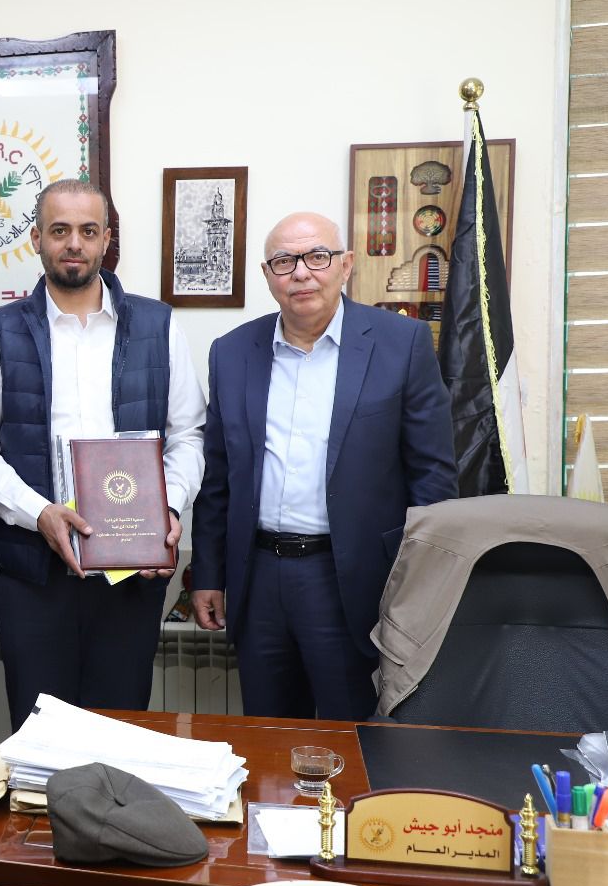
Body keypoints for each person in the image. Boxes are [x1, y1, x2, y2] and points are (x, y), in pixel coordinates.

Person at [189, 211, 457, 720]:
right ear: (267, 275)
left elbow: (434, 477)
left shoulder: (401, 344)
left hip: (354, 579)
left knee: (350, 733)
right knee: (267, 732)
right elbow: (217, 478)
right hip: (258, 578)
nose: (301, 273)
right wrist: (207, 574)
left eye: (317, 257)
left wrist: (420, 585)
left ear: (345, 265)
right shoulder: (231, 353)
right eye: (284, 261)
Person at [0, 179, 205, 731]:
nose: (74, 243)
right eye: (60, 230)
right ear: (36, 239)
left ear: (106, 240)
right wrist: (40, 514)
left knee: (117, 736)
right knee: (39, 738)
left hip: (129, 576)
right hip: (32, 576)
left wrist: (164, 512)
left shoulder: (159, 326)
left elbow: (189, 435)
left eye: (88, 231)